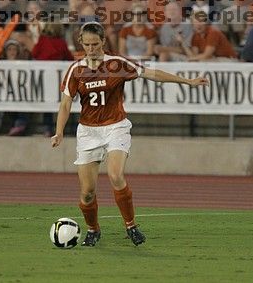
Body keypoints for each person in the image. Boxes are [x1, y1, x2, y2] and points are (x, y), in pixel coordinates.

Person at [51, 21, 209, 246]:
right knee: (87, 193)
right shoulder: (75, 70)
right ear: (81, 43)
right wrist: (59, 132)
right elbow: (66, 104)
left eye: (95, 44)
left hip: (116, 127)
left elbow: (152, 74)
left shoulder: (117, 64)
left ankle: (131, 226)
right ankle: (93, 230)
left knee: (116, 175)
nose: (91, 48)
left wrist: (187, 81)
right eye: (87, 44)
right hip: (88, 132)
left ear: (104, 42)